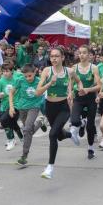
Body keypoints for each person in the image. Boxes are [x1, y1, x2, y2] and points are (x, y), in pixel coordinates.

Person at [36, 47, 82, 179]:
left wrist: (76, 91)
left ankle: (49, 167)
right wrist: (50, 83)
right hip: (50, 106)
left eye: (56, 56)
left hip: (64, 107)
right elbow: (38, 91)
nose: (54, 58)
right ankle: (71, 134)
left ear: (62, 58)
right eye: (52, 56)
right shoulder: (46, 71)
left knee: (52, 135)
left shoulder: (70, 71)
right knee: (59, 136)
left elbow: (79, 82)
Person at [8, 63, 45, 166]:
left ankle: (24, 156)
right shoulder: (20, 80)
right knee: (28, 131)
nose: (28, 78)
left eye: (30, 75)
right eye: (26, 76)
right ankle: (40, 123)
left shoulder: (39, 81)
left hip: (34, 107)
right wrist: (11, 107)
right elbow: (11, 93)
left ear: (35, 72)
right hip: (22, 108)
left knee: (27, 129)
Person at [70, 45, 101, 159]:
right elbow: (70, 82)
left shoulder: (94, 68)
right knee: (74, 120)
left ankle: (91, 148)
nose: (81, 55)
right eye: (80, 53)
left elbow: (99, 85)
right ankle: (81, 123)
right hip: (78, 98)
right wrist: (70, 92)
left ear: (89, 55)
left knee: (91, 125)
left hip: (90, 98)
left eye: (84, 53)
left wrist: (87, 90)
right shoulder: (74, 67)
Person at [0, 63, 23, 151]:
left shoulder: (17, 79)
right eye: (3, 71)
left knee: (4, 119)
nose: (5, 73)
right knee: (12, 123)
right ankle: (22, 138)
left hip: (16, 105)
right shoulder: (1, 81)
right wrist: (0, 95)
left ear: (12, 71)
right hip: (5, 106)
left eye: (7, 71)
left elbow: (25, 76)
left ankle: (11, 140)